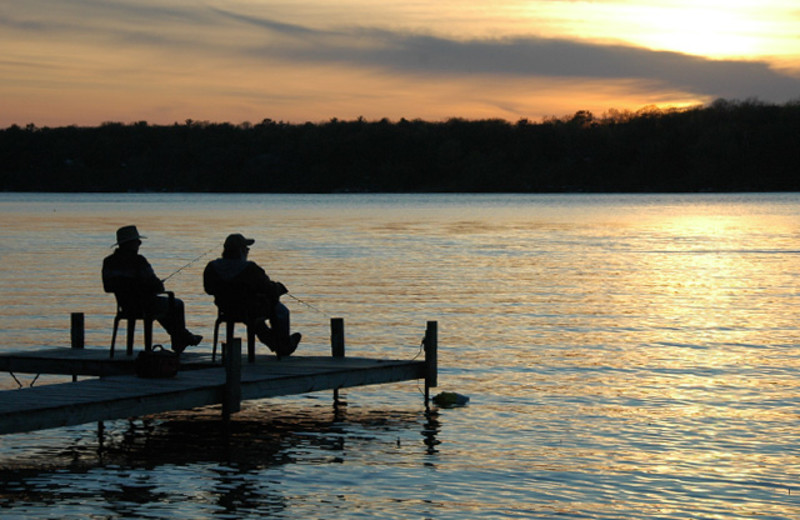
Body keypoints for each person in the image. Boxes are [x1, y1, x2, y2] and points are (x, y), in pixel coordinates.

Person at [102, 225, 202, 353]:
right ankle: (181, 339)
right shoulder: (139, 261)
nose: (139, 244)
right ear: (131, 244)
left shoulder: (109, 262)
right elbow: (156, 285)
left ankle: (182, 337)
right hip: (144, 304)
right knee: (176, 304)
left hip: (125, 306)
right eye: (137, 242)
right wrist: (152, 286)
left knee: (164, 309)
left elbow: (108, 287)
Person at [203, 233, 301, 357]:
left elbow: (208, 289)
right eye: (246, 249)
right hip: (251, 309)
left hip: (226, 309)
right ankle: (283, 344)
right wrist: (279, 288)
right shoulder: (250, 268)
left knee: (257, 320)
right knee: (281, 310)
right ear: (240, 251)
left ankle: (276, 343)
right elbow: (268, 288)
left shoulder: (212, 267)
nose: (247, 251)